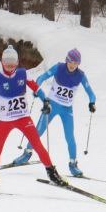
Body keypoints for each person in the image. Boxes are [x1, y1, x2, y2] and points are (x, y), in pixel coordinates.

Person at [0, 47, 65, 193]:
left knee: (37, 145)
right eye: (7, 62)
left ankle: (52, 173)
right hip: (5, 120)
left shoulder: (23, 74)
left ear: (17, 62)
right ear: (2, 62)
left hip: (23, 118)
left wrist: (45, 100)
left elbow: (35, 86)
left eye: (13, 62)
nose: (10, 65)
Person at [12, 48, 96, 177]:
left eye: (76, 63)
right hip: (51, 106)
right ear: (67, 60)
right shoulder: (58, 67)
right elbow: (42, 77)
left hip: (67, 110)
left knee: (70, 137)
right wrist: (37, 88)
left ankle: (73, 164)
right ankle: (27, 152)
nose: (73, 65)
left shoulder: (81, 75)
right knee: (38, 131)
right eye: (71, 62)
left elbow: (90, 93)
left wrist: (92, 102)